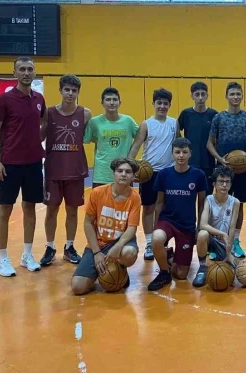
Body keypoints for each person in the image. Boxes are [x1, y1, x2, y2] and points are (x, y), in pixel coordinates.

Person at [0, 56, 47, 277]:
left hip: (33, 163)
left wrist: (36, 141)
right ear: (14, 73)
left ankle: (27, 255)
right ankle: (2, 258)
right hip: (10, 164)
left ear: (34, 72)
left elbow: (43, 123)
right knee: (5, 209)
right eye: (22, 69)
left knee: (30, 207)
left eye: (30, 69)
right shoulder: (5, 99)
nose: (26, 73)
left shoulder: (39, 99)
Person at [40, 75, 91, 266]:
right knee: (51, 210)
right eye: (67, 90)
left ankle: (69, 247)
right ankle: (50, 247)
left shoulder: (85, 114)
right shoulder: (49, 112)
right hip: (54, 169)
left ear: (78, 92)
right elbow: (40, 136)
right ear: (60, 90)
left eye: (74, 90)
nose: (70, 93)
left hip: (75, 170)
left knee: (72, 211)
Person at [71, 158, 141, 295]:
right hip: (99, 243)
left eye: (128, 172)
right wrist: (97, 253)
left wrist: (118, 246)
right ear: (113, 174)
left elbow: (132, 227)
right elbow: (88, 223)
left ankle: (120, 269)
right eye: (119, 171)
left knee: (129, 253)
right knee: (77, 287)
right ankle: (101, 270)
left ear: (133, 176)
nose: (123, 174)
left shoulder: (135, 197)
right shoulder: (98, 192)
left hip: (120, 241)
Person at [147, 138, 208, 291]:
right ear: (172, 154)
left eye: (184, 152)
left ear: (190, 154)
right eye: (177, 152)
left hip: (186, 224)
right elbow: (159, 202)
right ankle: (164, 273)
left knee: (181, 275)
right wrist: (156, 225)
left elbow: (201, 204)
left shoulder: (198, 175)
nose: (181, 155)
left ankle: (169, 256)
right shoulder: (164, 174)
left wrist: (199, 227)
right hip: (167, 220)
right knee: (157, 238)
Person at [207, 81, 246, 259]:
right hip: (222, 169)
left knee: (239, 204)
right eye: (232, 94)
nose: (235, 97)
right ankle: (216, 243)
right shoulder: (219, 118)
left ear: (242, 96)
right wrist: (221, 160)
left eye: (238, 94)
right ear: (226, 96)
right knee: (218, 204)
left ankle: (235, 241)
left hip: (242, 170)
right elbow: (209, 144)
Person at [128, 88, 178, 260]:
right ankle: (150, 243)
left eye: (165, 104)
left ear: (170, 105)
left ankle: (161, 240)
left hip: (168, 172)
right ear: (153, 104)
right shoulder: (146, 124)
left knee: (163, 208)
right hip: (149, 172)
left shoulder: (174, 123)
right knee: (148, 207)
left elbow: (177, 145)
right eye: (159, 103)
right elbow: (136, 146)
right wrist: (130, 168)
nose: (162, 106)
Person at [83, 87, 139, 188]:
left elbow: (141, 137)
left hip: (124, 173)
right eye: (108, 100)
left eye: (115, 99)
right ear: (102, 103)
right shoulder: (94, 122)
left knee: (125, 199)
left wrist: (132, 158)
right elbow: (86, 139)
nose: (112, 102)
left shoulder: (129, 121)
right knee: (100, 199)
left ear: (120, 102)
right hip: (101, 174)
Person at [178, 81, 218, 194]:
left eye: (203, 94)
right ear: (192, 96)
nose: (200, 98)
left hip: (208, 163)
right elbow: (176, 132)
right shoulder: (186, 114)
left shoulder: (214, 115)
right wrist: (183, 147)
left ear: (207, 96)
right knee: (188, 195)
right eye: (197, 94)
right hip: (190, 163)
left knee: (207, 196)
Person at [197, 166, 240, 269]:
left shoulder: (235, 202)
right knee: (202, 234)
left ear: (230, 184)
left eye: (227, 182)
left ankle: (223, 255)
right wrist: (222, 233)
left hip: (224, 243)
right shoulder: (209, 199)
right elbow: (202, 225)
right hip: (210, 239)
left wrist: (228, 252)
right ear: (214, 184)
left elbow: (232, 228)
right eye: (221, 181)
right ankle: (202, 267)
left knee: (229, 273)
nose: (224, 185)